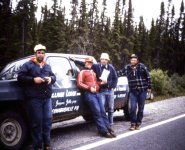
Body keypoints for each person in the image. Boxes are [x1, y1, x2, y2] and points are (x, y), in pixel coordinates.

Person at [18, 44, 56, 150]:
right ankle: (38, 146)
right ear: (35, 54)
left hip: (47, 97)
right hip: (34, 98)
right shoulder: (28, 65)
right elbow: (20, 77)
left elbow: (54, 77)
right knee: (37, 122)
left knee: (48, 120)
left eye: (43, 53)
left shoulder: (47, 66)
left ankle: (47, 144)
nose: (41, 54)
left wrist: (50, 79)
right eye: (39, 52)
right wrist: (33, 80)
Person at [72, 53, 118, 125]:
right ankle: (103, 124)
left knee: (111, 108)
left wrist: (112, 86)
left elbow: (115, 78)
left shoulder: (111, 67)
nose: (103, 61)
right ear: (100, 59)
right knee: (100, 109)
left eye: (105, 59)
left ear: (107, 60)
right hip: (101, 91)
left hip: (110, 90)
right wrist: (75, 60)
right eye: (102, 59)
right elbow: (86, 64)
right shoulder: (96, 66)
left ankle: (110, 124)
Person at [117, 54, 151, 131]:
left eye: (134, 60)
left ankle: (138, 123)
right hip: (133, 92)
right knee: (132, 108)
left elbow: (148, 77)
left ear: (137, 60)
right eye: (132, 60)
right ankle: (133, 124)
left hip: (142, 90)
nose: (133, 61)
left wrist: (149, 87)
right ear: (130, 61)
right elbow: (119, 73)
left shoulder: (142, 66)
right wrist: (110, 75)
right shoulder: (127, 68)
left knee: (141, 108)